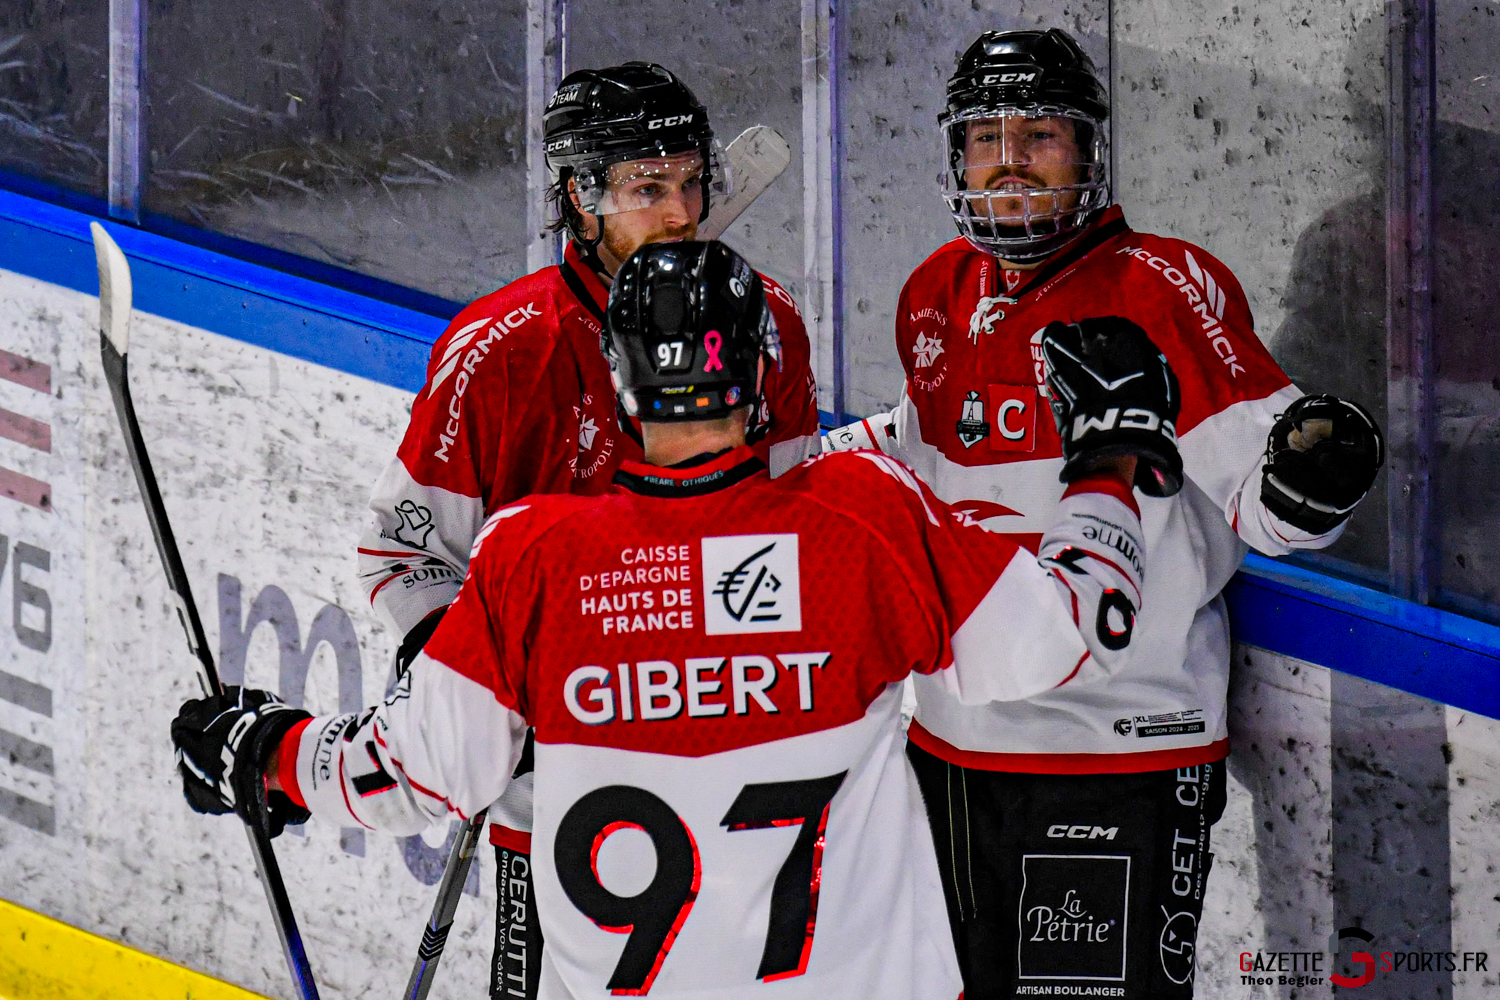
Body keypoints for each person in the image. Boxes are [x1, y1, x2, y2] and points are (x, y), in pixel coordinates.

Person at [170, 240, 1181, 999]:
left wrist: (270, 754)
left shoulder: (534, 555)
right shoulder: (861, 522)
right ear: (754, 369)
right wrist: (1107, 463)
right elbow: (1071, 630)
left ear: (618, 380)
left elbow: (411, 771)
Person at [824, 28, 1385, 999]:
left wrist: (1314, 466)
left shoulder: (1156, 287)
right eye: (985, 137)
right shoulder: (936, 291)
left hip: (1116, 751)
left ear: (1088, 152)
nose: (1009, 161)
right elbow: (923, 441)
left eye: (1039, 134)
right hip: (950, 744)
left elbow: (1267, 481)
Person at [354, 62, 819, 995]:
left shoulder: (760, 323)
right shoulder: (500, 349)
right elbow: (402, 548)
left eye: (691, 181)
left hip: (728, 776)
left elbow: (795, 531)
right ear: (580, 196)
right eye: (647, 189)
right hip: (558, 797)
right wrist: (491, 685)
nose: (681, 213)